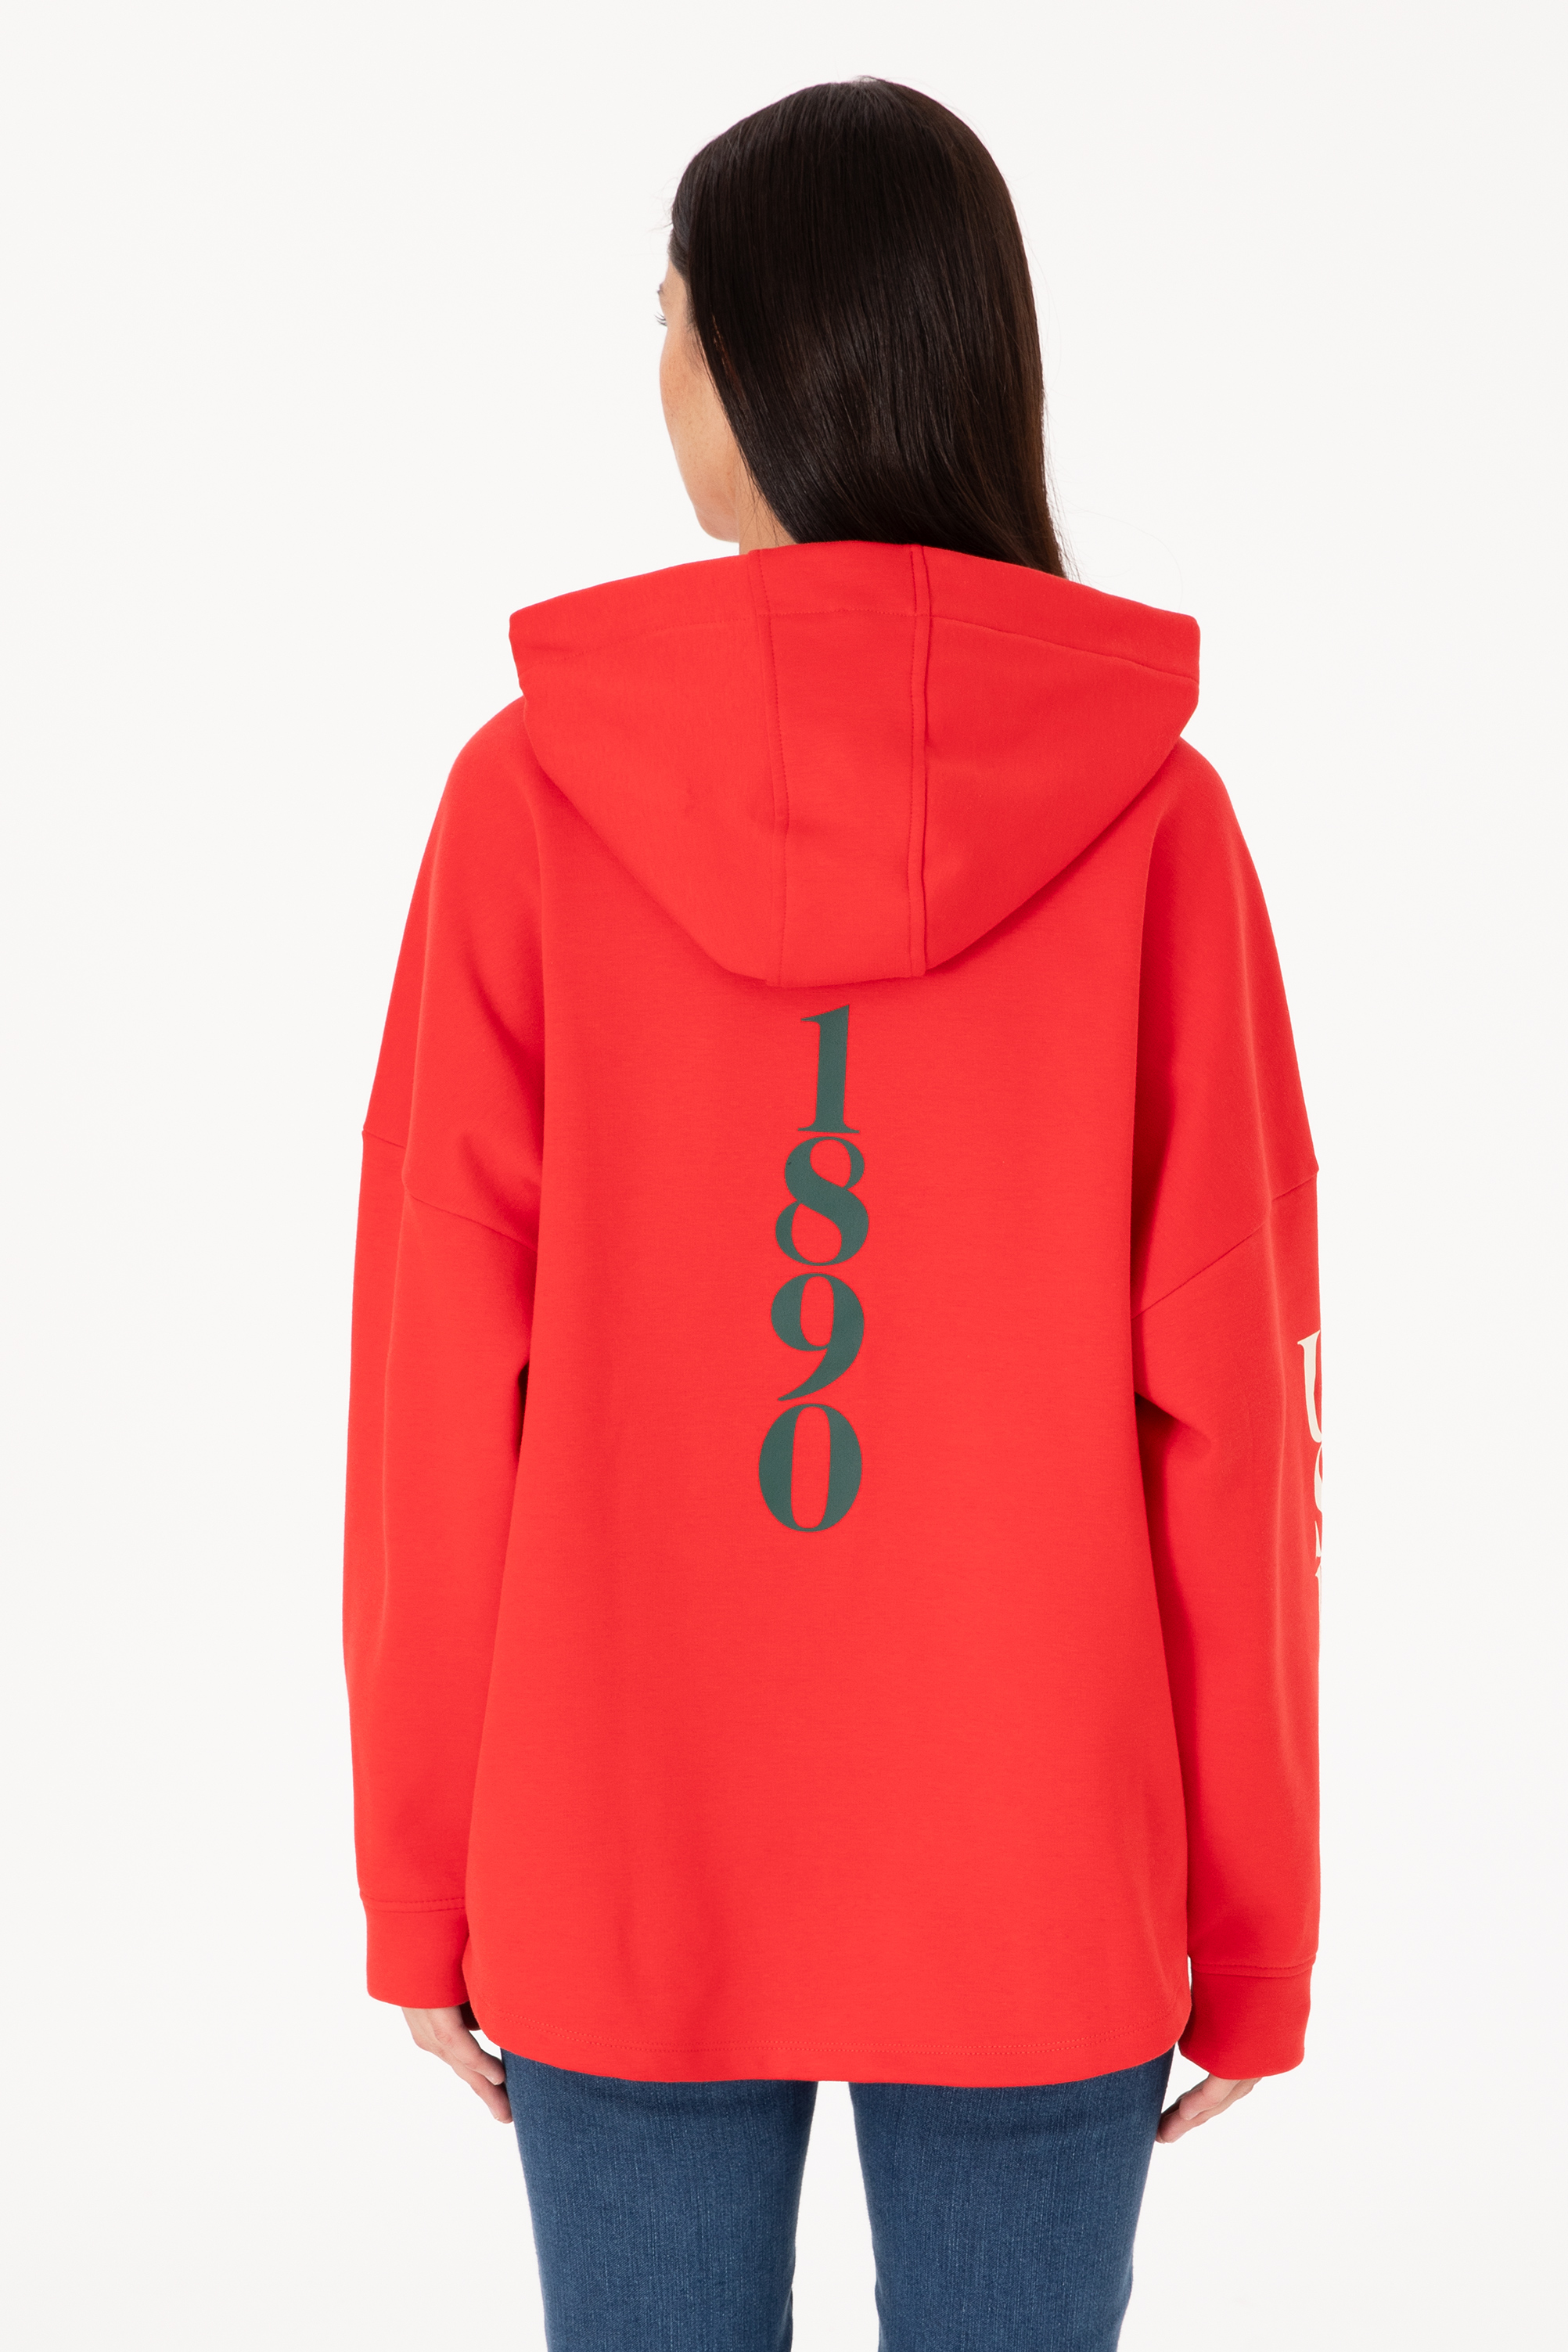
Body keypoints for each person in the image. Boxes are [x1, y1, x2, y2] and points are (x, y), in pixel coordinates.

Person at [343, 77, 1321, 2352]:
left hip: (617, 1844)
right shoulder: (1153, 825)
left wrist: (419, 1879)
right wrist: (1255, 1923)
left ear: (763, 360)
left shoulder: (530, 801)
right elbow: (1237, 1414)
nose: (657, 376)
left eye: (666, 321)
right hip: (1037, 1864)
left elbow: (430, 1383)